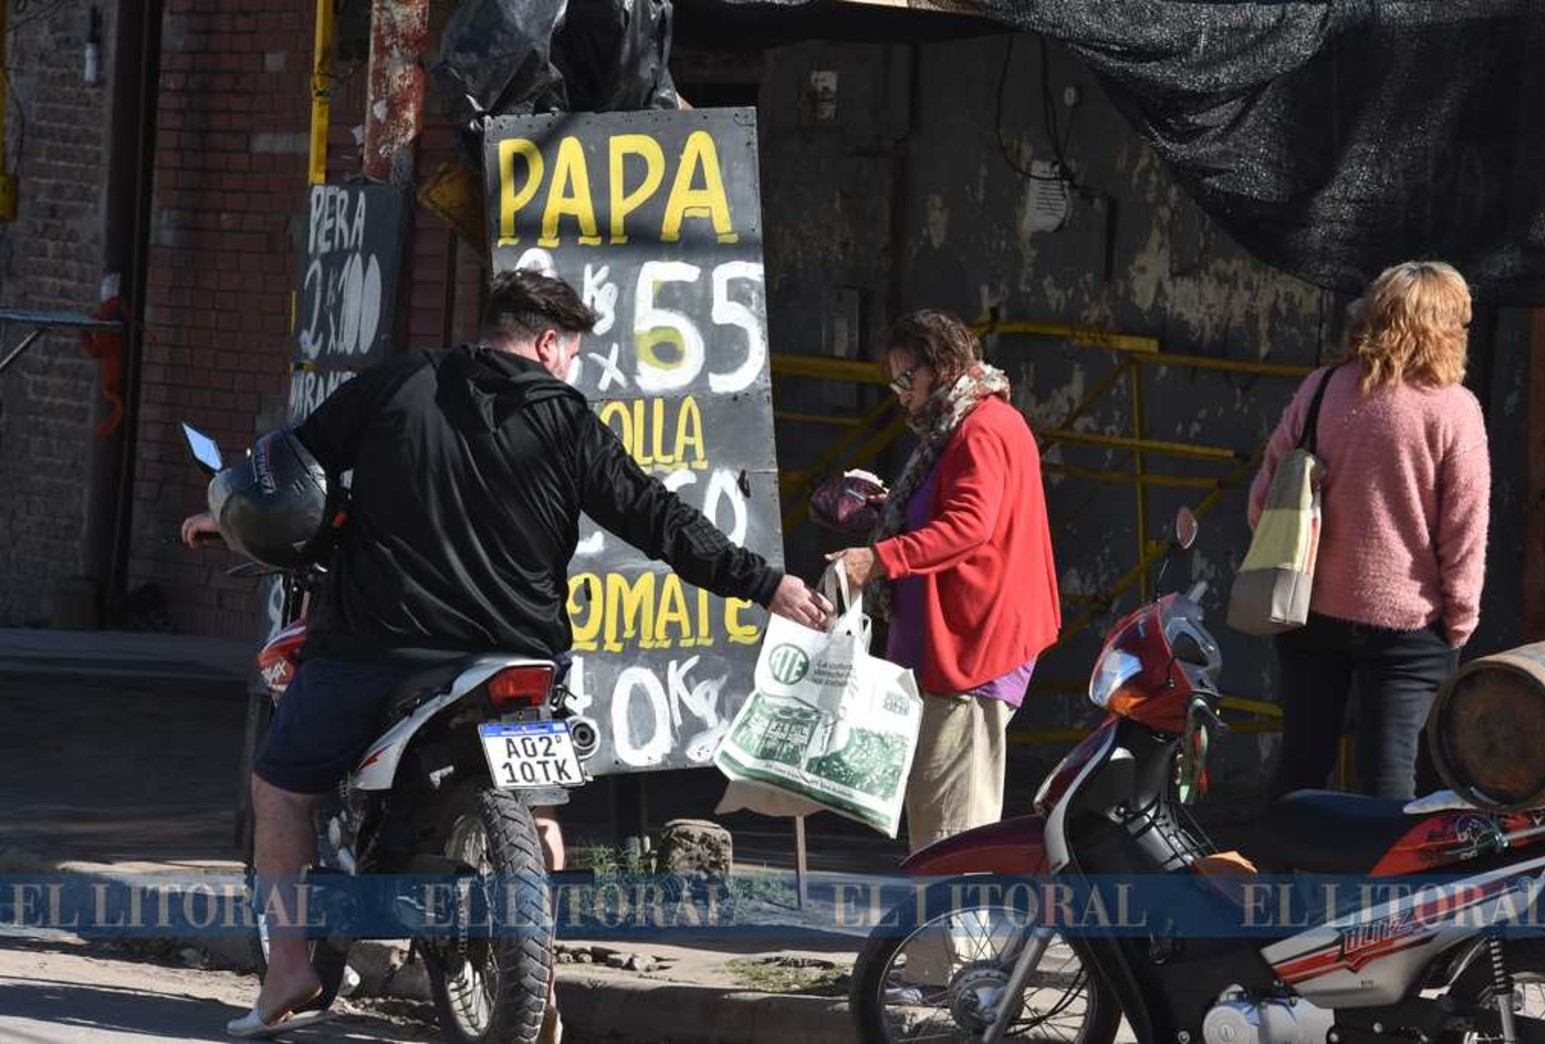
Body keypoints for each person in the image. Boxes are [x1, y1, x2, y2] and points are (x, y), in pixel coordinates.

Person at [182, 270, 833, 1037]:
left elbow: (291, 472)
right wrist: (766, 586)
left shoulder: (401, 383)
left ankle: (289, 967)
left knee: (282, 788)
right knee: (540, 809)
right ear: (548, 343)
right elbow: (657, 519)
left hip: (382, 643)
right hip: (517, 659)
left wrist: (226, 517)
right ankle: (540, 988)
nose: (570, 369)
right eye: (572, 354)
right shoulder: (568, 420)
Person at [1252, 260, 1490, 803]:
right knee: (1389, 779)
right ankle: (1375, 890)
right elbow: (1464, 531)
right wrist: (1460, 621)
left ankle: (1281, 883)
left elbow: (1263, 502)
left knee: (1301, 767)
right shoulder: (1455, 411)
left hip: (1307, 610)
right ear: (1444, 329)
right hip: (1409, 627)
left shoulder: (1322, 389)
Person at [827, 310, 1061, 856]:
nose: (900, 393)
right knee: (943, 805)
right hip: (957, 643)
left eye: (906, 378)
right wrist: (892, 513)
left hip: (974, 646)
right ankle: (946, 934)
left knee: (953, 822)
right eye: (895, 381)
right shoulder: (963, 424)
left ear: (943, 366)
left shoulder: (981, 429)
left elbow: (968, 526)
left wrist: (880, 557)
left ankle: (952, 938)